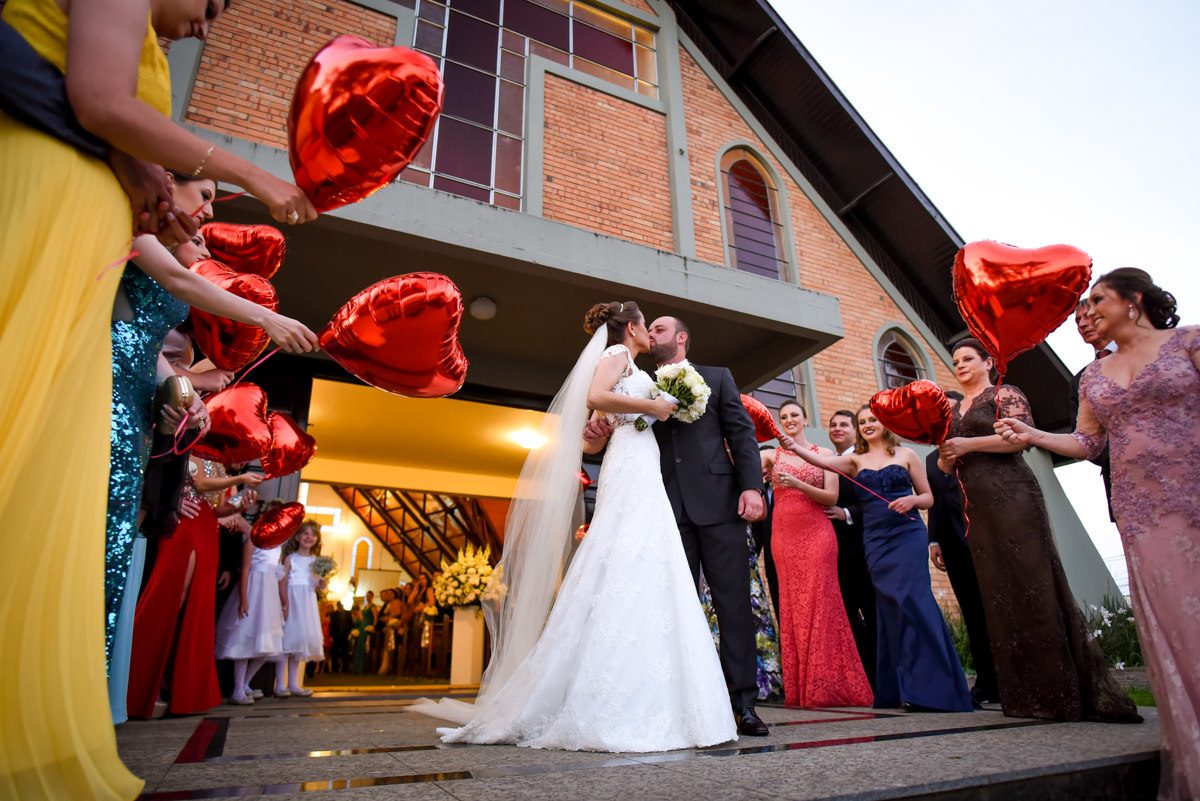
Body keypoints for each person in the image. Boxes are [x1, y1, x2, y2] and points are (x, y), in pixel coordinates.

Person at [0, 0, 318, 791]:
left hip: (95, 285)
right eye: (210, 3)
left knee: (65, 518)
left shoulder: (137, 181)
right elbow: (100, 101)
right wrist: (250, 173)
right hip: (49, 219)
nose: (207, 23)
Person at [413, 301, 736, 752]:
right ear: (632, 328)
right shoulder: (617, 356)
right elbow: (595, 398)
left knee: (644, 562)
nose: (651, 334)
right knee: (626, 553)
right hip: (628, 468)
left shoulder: (633, 365)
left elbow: (596, 425)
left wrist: (609, 425)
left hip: (640, 464)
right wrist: (653, 407)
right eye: (648, 326)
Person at [996, 268, 1196, 799]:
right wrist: (1033, 433)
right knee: (1175, 624)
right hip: (1139, 509)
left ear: (1134, 300)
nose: (1088, 313)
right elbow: (1087, 443)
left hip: (1193, 492)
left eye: (1097, 301)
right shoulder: (1092, 376)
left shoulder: (1189, 343)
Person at [940, 337, 1139, 724]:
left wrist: (968, 443)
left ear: (987, 363)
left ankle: (1061, 691)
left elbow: (1021, 439)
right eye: (955, 361)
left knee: (1033, 582)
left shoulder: (1003, 393)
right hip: (976, 506)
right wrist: (950, 454)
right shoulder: (955, 409)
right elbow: (948, 464)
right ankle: (1024, 695)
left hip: (1013, 495)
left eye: (967, 359)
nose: (960, 365)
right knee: (998, 594)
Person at [629, 315, 770, 735]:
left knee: (734, 606)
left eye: (658, 330)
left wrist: (752, 488)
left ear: (681, 337)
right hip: (667, 509)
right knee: (676, 608)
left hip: (721, 505)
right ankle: (685, 703)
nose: (651, 335)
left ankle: (743, 703)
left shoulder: (717, 377)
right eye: (648, 331)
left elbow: (742, 436)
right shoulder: (641, 386)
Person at [784, 407, 973, 712]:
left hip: (907, 535)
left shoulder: (907, 454)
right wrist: (794, 447)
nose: (868, 425)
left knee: (914, 603)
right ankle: (903, 687)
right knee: (890, 609)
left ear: (886, 425)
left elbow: (928, 497)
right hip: (876, 541)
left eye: (873, 420)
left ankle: (935, 688)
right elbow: (820, 461)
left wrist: (912, 499)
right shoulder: (854, 460)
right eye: (863, 423)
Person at [127, 459, 260, 718]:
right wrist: (240, 480)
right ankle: (138, 684)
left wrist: (239, 504)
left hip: (207, 528)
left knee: (194, 605)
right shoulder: (191, 454)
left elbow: (218, 510)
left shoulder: (221, 467)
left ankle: (178, 689)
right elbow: (198, 482)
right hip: (184, 525)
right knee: (171, 597)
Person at [761, 401, 872, 707]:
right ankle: (800, 687)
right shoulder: (773, 455)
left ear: (806, 418)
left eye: (794, 415)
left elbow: (831, 496)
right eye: (783, 417)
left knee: (822, 605)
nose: (789, 420)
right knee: (793, 607)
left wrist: (796, 483)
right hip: (783, 537)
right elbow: (744, 460)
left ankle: (828, 685)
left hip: (818, 534)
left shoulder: (825, 455)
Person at [924, 391, 998, 705]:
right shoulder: (931, 458)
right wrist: (935, 540)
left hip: (990, 537)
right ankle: (986, 681)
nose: (951, 420)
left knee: (997, 608)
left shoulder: (983, 449)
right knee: (972, 611)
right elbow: (936, 503)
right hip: (954, 542)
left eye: (954, 412)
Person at [822, 410, 877, 689]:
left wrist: (846, 513)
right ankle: (862, 676)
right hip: (834, 552)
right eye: (833, 425)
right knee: (848, 617)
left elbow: (874, 499)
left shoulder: (864, 461)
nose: (837, 428)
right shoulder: (828, 461)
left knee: (872, 611)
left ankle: (880, 676)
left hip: (864, 548)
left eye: (844, 424)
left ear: (855, 431)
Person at [1068, 299, 1116, 519]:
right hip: (1119, 478)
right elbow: (1082, 436)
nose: (1083, 324)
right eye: (1078, 320)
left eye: (1088, 316)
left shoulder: (1147, 352)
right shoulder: (1079, 380)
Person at [279, 522, 326, 696]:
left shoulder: (315, 562)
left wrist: (322, 584)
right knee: (287, 642)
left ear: (316, 540)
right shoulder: (290, 558)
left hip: (307, 602)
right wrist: (284, 602)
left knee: (299, 643)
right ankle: (280, 685)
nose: (308, 537)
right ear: (297, 537)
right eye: (305, 533)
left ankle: (293, 683)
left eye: (312, 535)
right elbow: (283, 580)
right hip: (292, 599)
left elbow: (317, 586)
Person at [329, 601, 353, 673]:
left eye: (341, 606)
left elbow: (350, 624)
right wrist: (331, 636)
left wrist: (349, 633)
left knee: (345, 652)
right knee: (335, 652)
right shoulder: (334, 614)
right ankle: (335, 668)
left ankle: (345, 667)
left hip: (345, 635)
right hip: (336, 635)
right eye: (339, 606)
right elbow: (331, 626)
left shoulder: (348, 613)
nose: (340, 607)